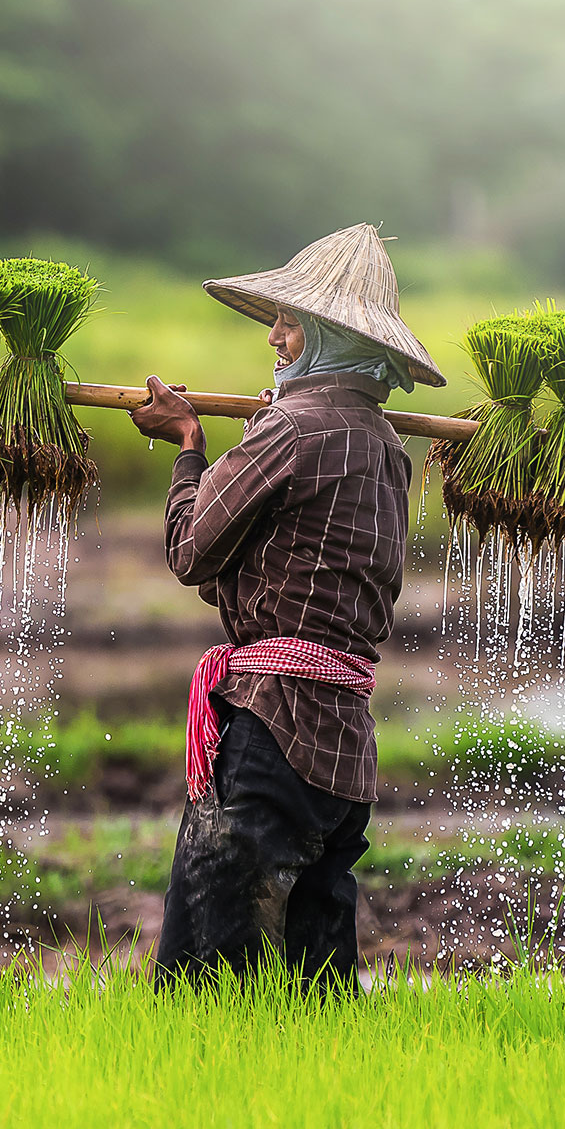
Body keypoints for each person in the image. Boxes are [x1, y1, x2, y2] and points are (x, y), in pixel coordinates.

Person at [128, 223, 446, 988]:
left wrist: (186, 444)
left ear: (329, 338)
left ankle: (208, 1087)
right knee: (313, 965)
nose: (272, 335)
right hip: (341, 742)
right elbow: (276, 568)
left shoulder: (292, 429)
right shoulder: (381, 443)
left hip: (275, 724)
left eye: (290, 324)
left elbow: (190, 554)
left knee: (211, 955)